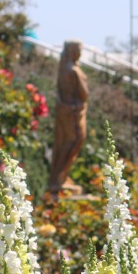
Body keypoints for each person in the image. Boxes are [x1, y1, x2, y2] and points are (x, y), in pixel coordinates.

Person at [48, 40, 89, 194]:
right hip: (73, 113)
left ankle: (60, 176)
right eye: (79, 50)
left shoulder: (67, 69)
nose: (81, 53)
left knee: (68, 142)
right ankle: (58, 177)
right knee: (73, 142)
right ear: (73, 52)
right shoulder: (72, 70)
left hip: (69, 111)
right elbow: (83, 93)